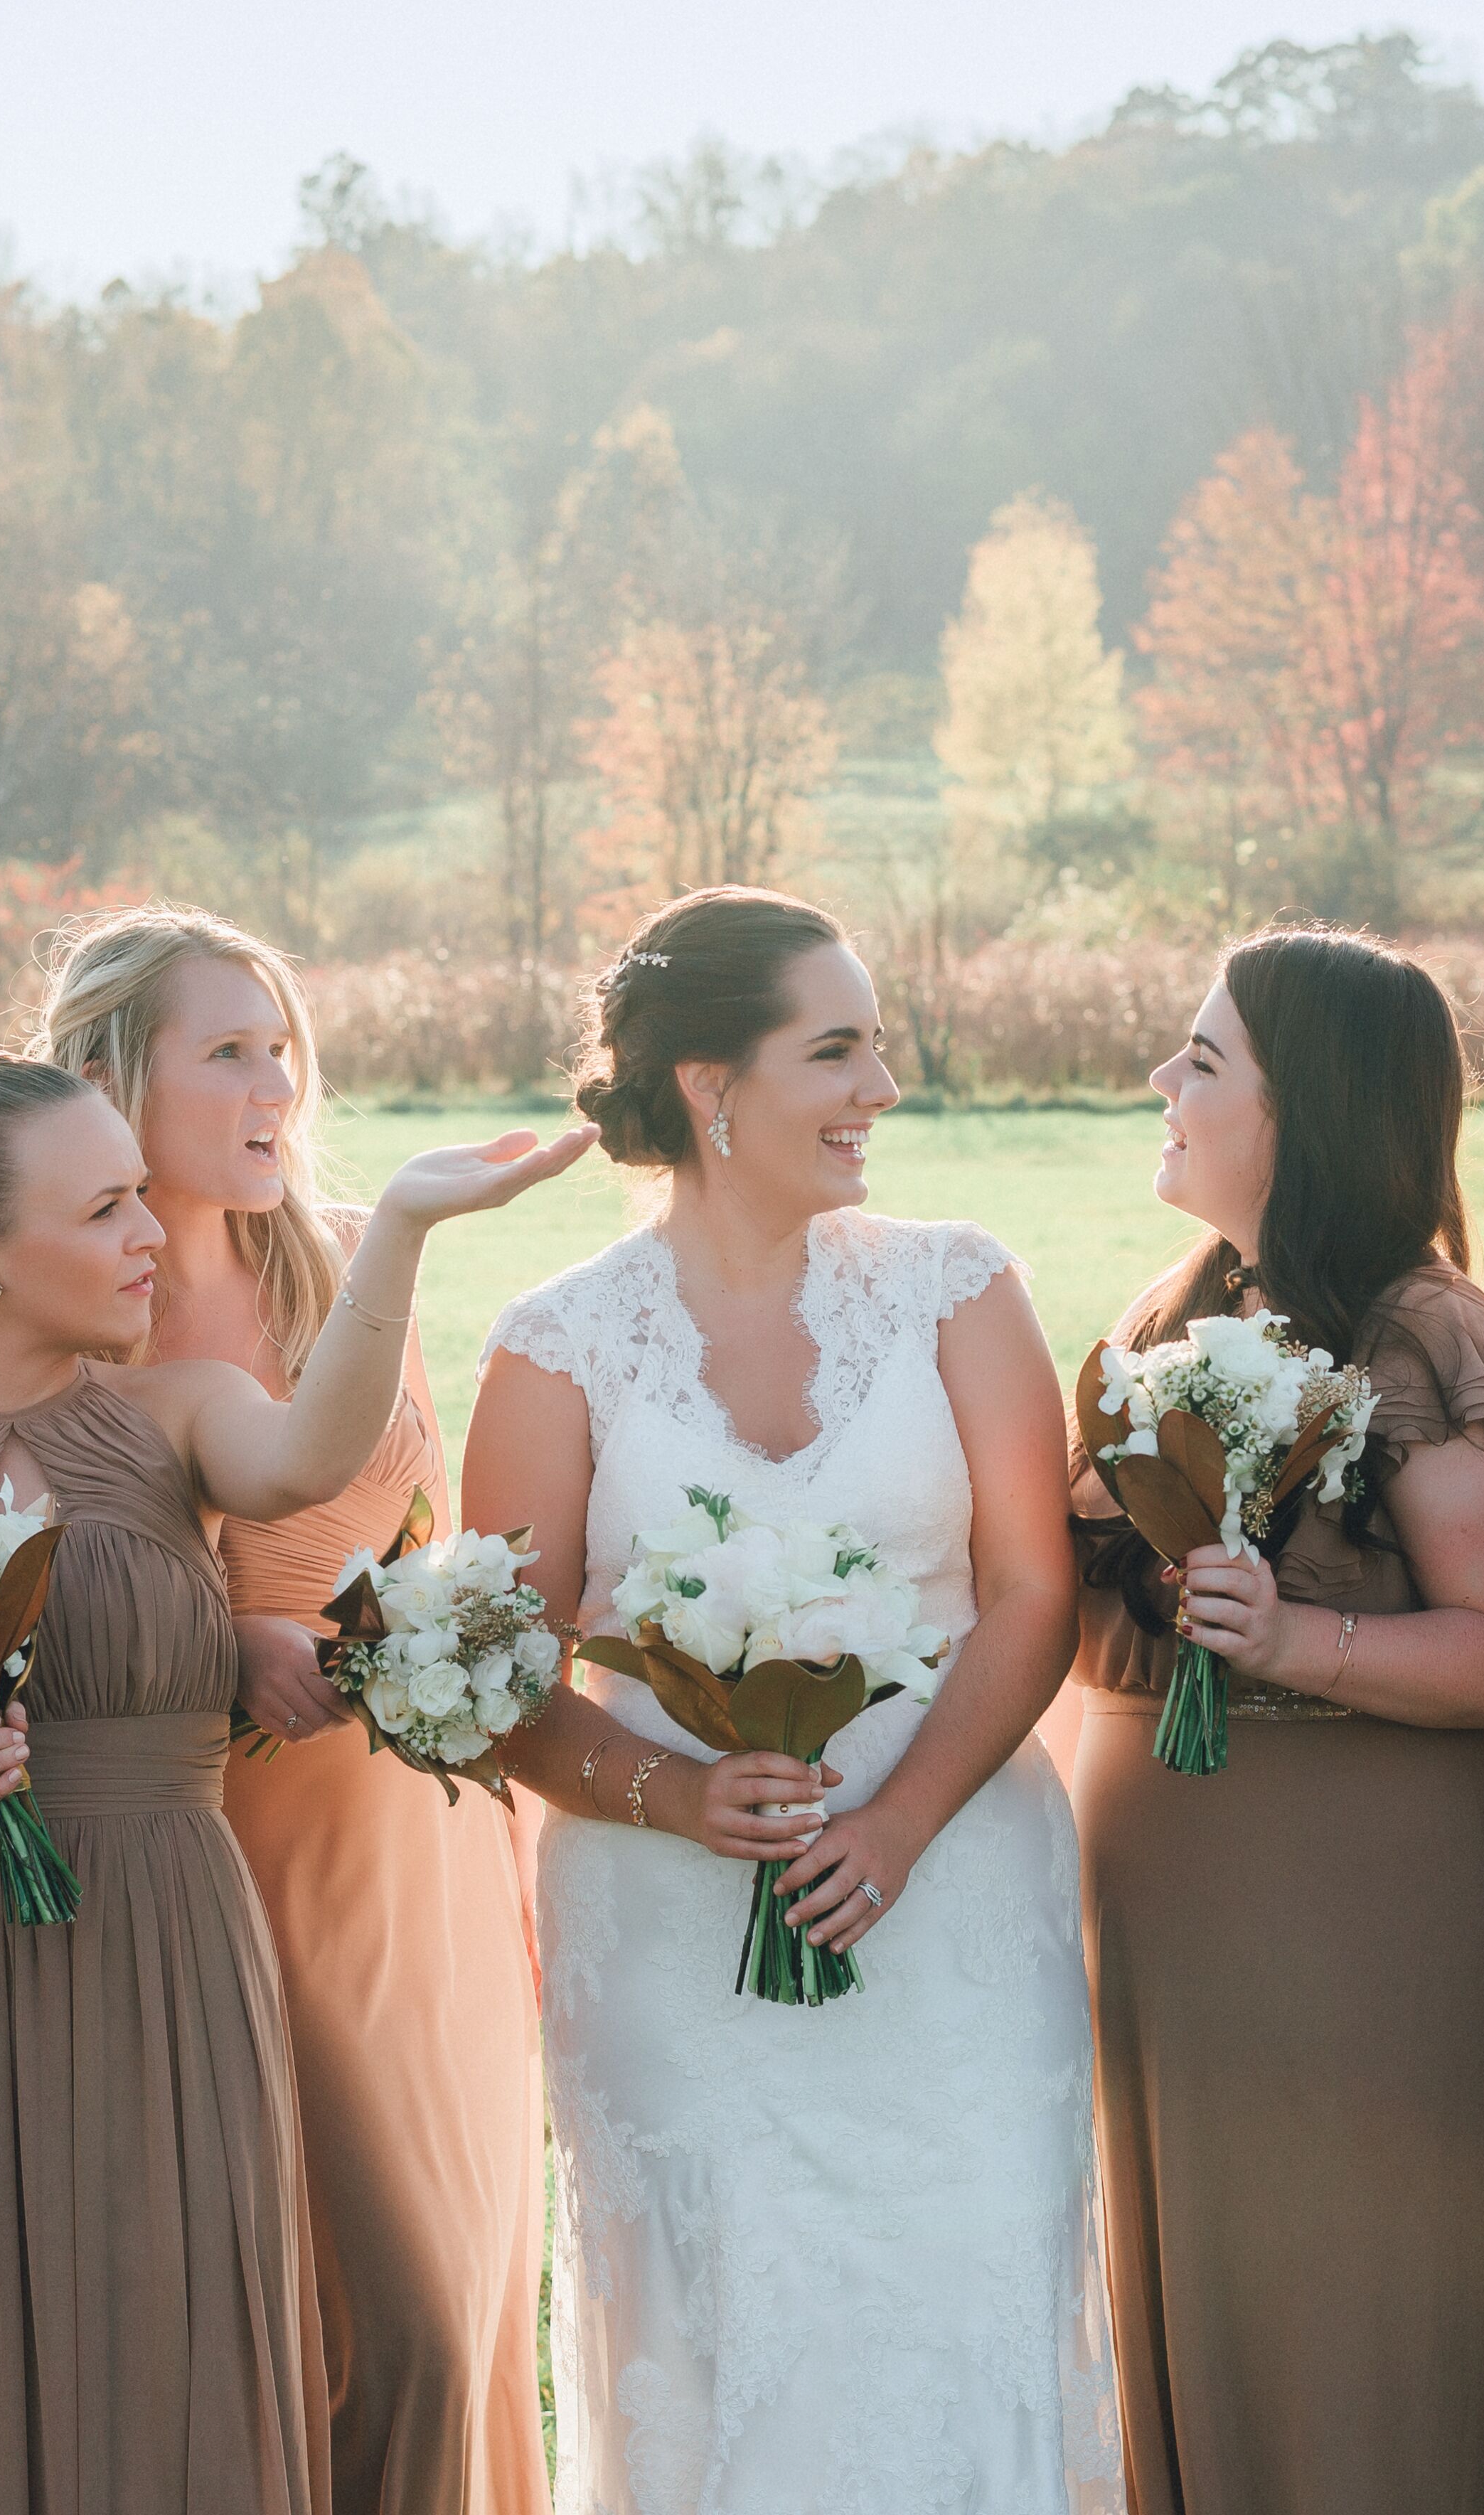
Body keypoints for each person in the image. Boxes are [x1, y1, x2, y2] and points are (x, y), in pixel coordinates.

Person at [0, 988, 584, 2515]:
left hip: (176, 1953)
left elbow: (315, 1453)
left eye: (140, 1193)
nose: (148, 1236)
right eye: (108, 1207)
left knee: (181, 2350)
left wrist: (396, 1234)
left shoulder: (184, 1414)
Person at [461, 887, 1122, 2515]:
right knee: (717, 2340)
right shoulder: (554, 1350)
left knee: (965, 2309)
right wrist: (674, 1797)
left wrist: (896, 1827)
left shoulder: (958, 1292)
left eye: (875, 1047)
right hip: (674, 1942)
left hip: (953, 1902)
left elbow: (1032, 1591)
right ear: (709, 1086)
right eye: (834, 1051)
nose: (878, 1089)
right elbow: (496, 1682)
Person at [36, 905, 544, 2515]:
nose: (273, 1084)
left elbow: (428, 1531)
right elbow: (31, 1610)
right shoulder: (53, 1323)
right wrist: (215, 1645)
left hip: (415, 1841)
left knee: (459, 2304)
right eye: (227, 1052)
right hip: (222, 1855)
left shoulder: (329, 1256)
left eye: (281, 1049)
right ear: (112, 1078)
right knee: (338, 2319)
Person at [1068, 930, 1484, 2515]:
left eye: (1204, 1061)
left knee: (1362, 2323)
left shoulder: (1429, 1336)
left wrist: (1295, 1633)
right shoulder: (1181, 1307)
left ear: (1312, 1115)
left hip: (1361, 1911)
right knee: (1206, 2293)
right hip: (1174, 1903)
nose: (1165, 1083)